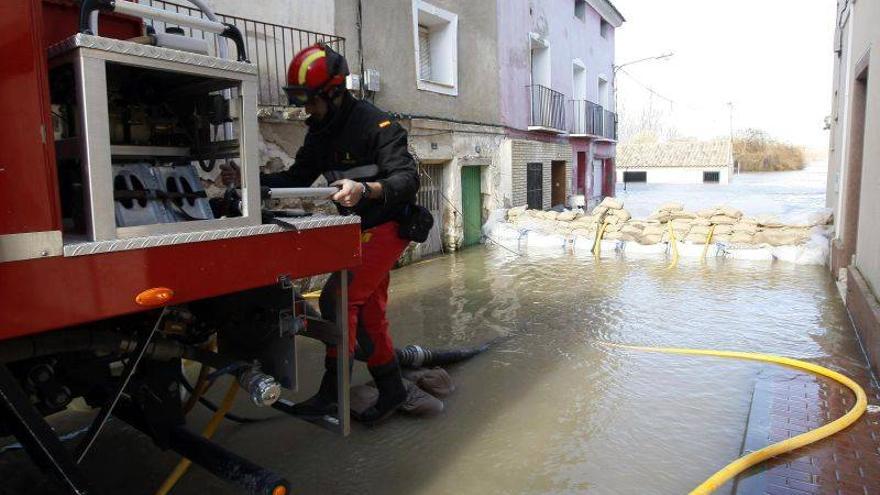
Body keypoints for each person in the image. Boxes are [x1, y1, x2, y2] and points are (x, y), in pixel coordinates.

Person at [221, 43, 421, 424]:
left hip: (389, 226)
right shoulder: (319, 133)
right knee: (368, 313)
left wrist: (366, 189)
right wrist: (248, 179)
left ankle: (332, 395)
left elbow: (407, 179)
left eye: (311, 101)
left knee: (337, 300)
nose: (306, 110)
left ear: (334, 93)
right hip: (357, 230)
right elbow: (295, 177)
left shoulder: (377, 125)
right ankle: (393, 389)